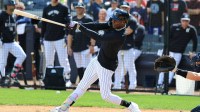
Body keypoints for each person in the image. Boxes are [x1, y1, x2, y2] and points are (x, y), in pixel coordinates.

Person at [50, 9, 141, 112]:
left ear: (123, 22)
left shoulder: (119, 35)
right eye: (113, 19)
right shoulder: (113, 24)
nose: (113, 21)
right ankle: (64, 108)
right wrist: (76, 24)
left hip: (106, 67)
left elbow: (99, 37)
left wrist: (80, 27)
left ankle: (131, 106)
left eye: (116, 20)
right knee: (81, 86)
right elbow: (96, 26)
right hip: (97, 61)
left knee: (106, 96)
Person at [157, 13, 198, 90]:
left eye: (187, 21)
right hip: (169, 51)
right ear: (181, 21)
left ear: (189, 21)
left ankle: (165, 85)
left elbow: (195, 41)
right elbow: (167, 39)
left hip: (178, 52)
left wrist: (193, 51)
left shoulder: (191, 29)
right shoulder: (174, 27)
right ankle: (159, 84)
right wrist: (165, 50)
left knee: (172, 69)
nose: (185, 23)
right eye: (183, 21)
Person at [41, 0, 72, 87]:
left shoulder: (63, 8)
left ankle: (67, 78)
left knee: (63, 59)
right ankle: (48, 78)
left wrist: (68, 21)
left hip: (60, 38)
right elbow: (43, 24)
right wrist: (42, 37)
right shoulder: (46, 8)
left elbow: (68, 19)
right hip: (48, 38)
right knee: (49, 60)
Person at [113, 2, 139, 90]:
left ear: (129, 9)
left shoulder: (132, 19)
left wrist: (116, 32)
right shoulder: (116, 18)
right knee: (117, 67)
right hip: (118, 47)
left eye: (126, 8)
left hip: (128, 47)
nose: (124, 9)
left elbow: (128, 31)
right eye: (122, 7)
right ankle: (117, 85)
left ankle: (132, 85)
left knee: (130, 66)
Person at [0, 0, 26, 86]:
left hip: (12, 42)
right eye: (12, 5)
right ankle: (2, 78)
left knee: (22, 55)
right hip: (3, 42)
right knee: (3, 62)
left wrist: (16, 40)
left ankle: (12, 76)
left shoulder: (13, 16)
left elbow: (15, 30)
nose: (14, 7)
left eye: (14, 5)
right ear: (7, 6)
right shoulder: (1, 15)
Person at [67, 2, 95, 82]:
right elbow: (70, 35)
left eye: (80, 8)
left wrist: (92, 45)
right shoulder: (73, 20)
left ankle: (87, 83)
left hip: (86, 46)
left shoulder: (88, 19)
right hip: (76, 46)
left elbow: (93, 33)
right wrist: (69, 47)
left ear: (84, 9)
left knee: (87, 66)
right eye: (77, 8)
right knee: (79, 66)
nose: (79, 9)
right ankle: (82, 82)